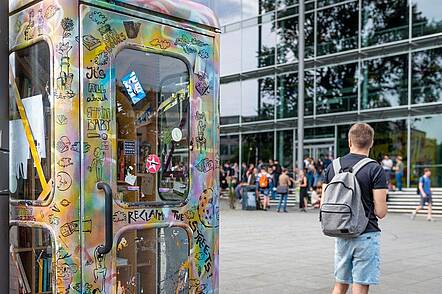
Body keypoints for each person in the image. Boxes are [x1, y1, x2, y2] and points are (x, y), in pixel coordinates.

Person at [323, 123, 387, 294]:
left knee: (340, 284)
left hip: (340, 231)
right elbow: (381, 212)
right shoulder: (375, 169)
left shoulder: (333, 167)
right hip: (366, 233)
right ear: (371, 143)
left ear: (349, 141)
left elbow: (325, 201)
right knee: (360, 285)